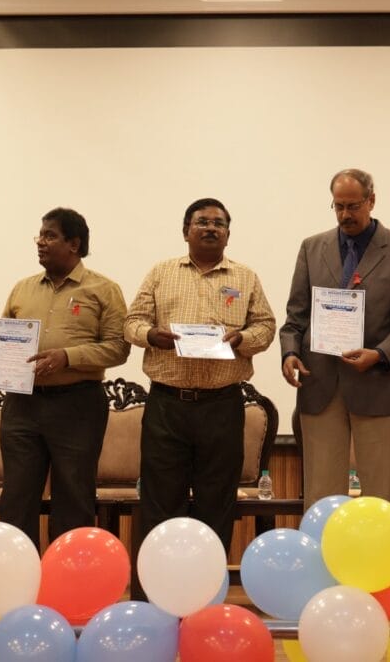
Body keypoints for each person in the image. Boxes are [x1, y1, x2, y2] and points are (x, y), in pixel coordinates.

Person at [124, 197, 275, 560]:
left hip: (222, 405)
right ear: (185, 231)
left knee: (216, 501)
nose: (210, 228)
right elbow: (132, 323)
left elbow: (266, 327)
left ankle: (209, 583)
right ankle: (159, 582)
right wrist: (151, 335)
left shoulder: (245, 277)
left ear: (228, 234)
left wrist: (242, 339)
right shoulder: (161, 273)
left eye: (218, 223)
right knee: (160, 501)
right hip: (167, 405)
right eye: (202, 222)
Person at [0, 207, 129, 549]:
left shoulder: (104, 289)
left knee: (73, 497)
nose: (40, 242)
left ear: (74, 244)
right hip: (22, 404)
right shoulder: (22, 288)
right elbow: (6, 337)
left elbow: (118, 349)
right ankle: (17, 572)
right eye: (40, 235)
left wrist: (67, 357)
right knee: (17, 497)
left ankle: (69, 573)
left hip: (77, 405)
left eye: (50, 236)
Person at [280, 168, 390, 510]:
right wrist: (289, 353)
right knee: (321, 497)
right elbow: (296, 317)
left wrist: (380, 354)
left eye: (353, 206)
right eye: (338, 206)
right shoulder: (311, 247)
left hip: (379, 384)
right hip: (320, 385)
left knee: (377, 497)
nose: (345, 214)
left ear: (371, 201)